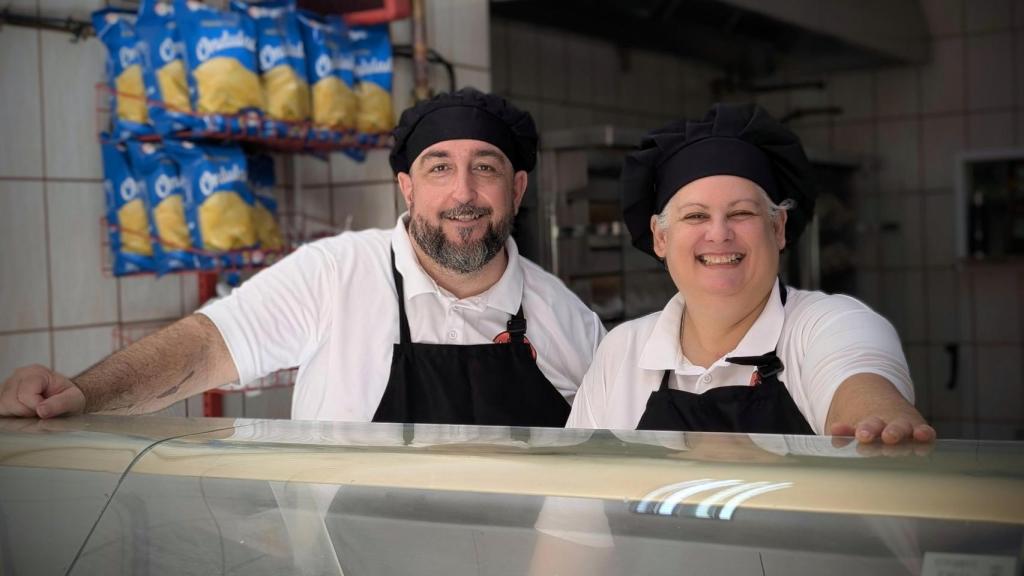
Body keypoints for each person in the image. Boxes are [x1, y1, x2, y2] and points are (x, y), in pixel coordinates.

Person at [0, 88, 606, 425]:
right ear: (407, 187)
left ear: (517, 189)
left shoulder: (570, 322)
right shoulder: (336, 275)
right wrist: (82, 394)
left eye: (486, 168)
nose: (463, 193)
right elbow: (206, 347)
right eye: (439, 168)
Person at [568, 102, 934, 445]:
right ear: (661, 237)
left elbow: (862, 384)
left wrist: (877, 422)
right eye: (695, 216)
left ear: (778, 227)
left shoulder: (828, 324)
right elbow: (576, 486)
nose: (719, 233)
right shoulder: (622, 351)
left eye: (741, 213)